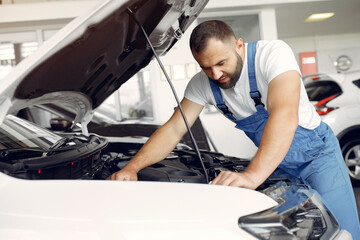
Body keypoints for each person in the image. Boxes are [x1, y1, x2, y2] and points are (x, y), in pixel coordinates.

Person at [108, 20, 360, 238]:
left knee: (343, 229)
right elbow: (174, 129)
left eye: (221, 62)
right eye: (205, 67)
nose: (215, 74)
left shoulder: (272, 54)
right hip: (276, 162)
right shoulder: (202, 85)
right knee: (299, 232)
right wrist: (132, 167)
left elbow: (284, 114)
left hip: (318, 157)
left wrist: (251, 176)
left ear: (239, 45)